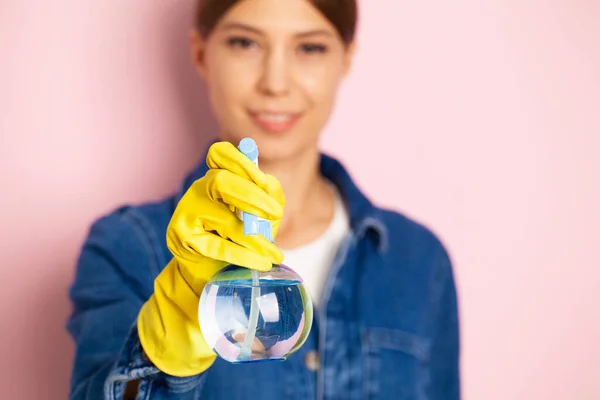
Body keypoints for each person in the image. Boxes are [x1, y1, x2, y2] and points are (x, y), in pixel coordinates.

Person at [66, 0, 461, 399]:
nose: (275, 82)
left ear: (346, 59)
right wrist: (165, 349)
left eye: (310, 48)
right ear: (201, 54)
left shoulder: (419, 259)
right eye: (245, 43)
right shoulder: (127, 247)